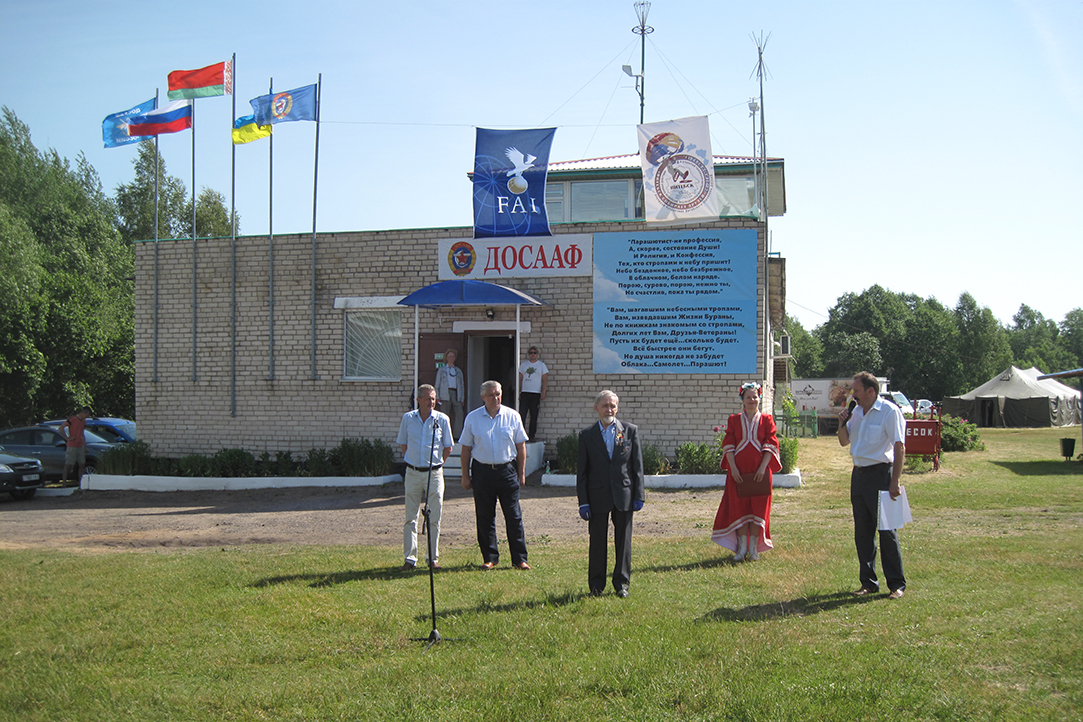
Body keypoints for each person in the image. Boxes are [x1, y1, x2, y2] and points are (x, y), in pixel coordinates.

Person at [838, 371, 907, 599]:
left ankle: (896, 584)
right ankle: (868, 582)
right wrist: (842, 423)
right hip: (858, 476)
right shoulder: (856, 412)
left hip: (881, 475)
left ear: (870, 391)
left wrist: (895, 481)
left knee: (887, 531)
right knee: (862, 532)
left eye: (856, 391)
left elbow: (899, 446)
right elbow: (844, 441)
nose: (853, 395)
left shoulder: (889, 411)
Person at [577, 390, 645, 597]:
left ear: (617, 408)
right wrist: (583, 502)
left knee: (623, 542)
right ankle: (596, 586)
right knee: (597, 542)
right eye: (605, 405)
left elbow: (637, 467)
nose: (610, 409)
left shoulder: (630, 431)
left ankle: (621, 584)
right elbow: (582, 472)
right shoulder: (587, 435)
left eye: (613, 406)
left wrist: (638, 495)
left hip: (623, 495)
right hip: (597, 496)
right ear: (596, 408)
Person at [459, 380, 531, 570]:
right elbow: (466, 449)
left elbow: (521, 446)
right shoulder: (473, 418)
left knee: (514, 516)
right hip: (482, 471)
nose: (496, 398)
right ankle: (490, 558)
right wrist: (465, 476)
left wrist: (521, 473)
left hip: (507, 470)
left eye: (498, 394)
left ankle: (519, 559)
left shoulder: (512, 416)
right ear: (483, 397)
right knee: (485, 516)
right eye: (491, 395)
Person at [712, 383, 781, 561]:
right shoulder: (734, 420)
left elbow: (771, 444)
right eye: (748, 397)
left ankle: (754, 549)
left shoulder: (767, 420)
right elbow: (729, 444)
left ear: (759, 399)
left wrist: (762, 468)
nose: (752, 400)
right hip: (738, 474)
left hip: (760, 474)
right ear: (742, 400)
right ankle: (741, 549)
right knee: (740, 509)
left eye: (755, 396)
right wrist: (733, 468)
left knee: (758, 509)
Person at [396, 384, 454, 571]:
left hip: (434, 473)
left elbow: (448, 447)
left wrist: (437, 464)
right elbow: (403, 444)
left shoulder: (442, 419)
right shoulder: (408, 419)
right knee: (410, 518)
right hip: (413, 473)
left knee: (434, 518)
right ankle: (410, 558)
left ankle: (432, 558)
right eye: (428, 398)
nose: (431, 402)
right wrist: (413, 461)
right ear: (418, 400)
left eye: (433, 399)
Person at [517, 346, 549, 440]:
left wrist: (543, 392)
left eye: (534, 353)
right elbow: (520, 378)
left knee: (534, 416)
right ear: (528, 354)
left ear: (537, 354)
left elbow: (545, 380)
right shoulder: (523, 365)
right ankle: (520, 436)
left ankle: (531, 436)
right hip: (525, 393)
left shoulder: (541, 365)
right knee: (522, 415)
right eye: (531, 353)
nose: (532, 354)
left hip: (535, 393)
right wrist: (519, 391)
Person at [434, 349, 465, 437]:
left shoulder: (458, 371)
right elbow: (437, 384)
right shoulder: (442, 370)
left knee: (459, 414)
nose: (451, 358)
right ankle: (445, 435)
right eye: (450, 356)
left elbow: (462, 385)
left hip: (456, 393)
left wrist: (462, 398)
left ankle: (456, 435)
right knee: (444, 415)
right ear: (446, 358)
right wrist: (438, 396)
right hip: (445, 394)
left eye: (453, 356)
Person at [58, 407, 91, 485]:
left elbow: (82, 434)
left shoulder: (83, 421)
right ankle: (64, 483)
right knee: (68, 465)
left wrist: (85, 447)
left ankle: (81, 483)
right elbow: (61, 428)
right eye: (87, 415)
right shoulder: (72, 419)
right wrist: (67, 438)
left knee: (82, 464)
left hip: (81, 445)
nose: (87, 417)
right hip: (72, 445)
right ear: (84, 413)